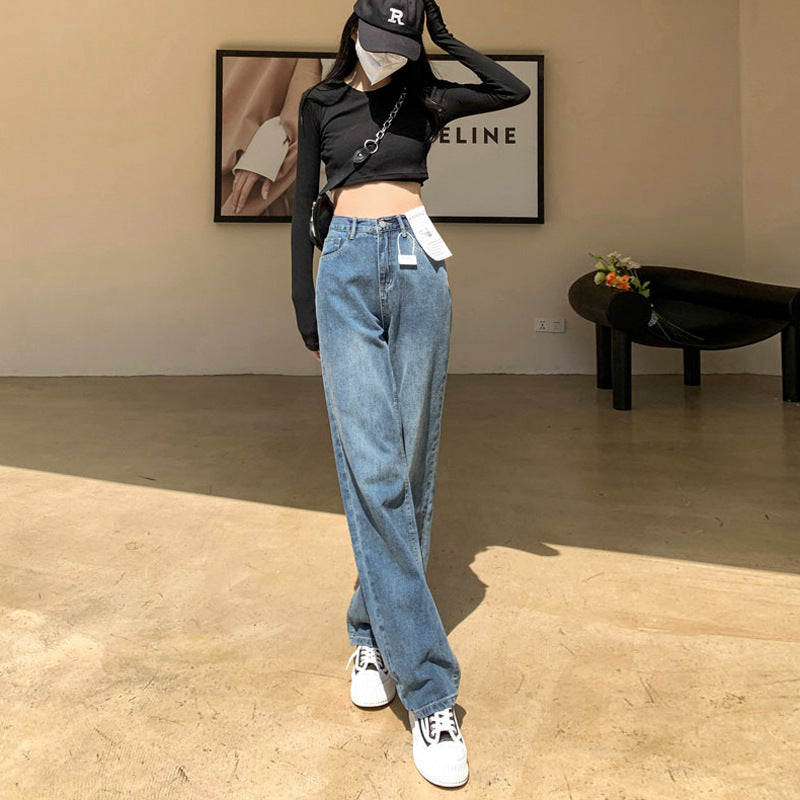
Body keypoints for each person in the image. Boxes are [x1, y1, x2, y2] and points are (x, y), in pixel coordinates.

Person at [289, 0, 530, 788]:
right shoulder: (321, 102)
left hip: (420, 273)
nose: (388, 53)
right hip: (345, 273)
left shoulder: (426, 95)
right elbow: (299, 208)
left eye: (403, 42)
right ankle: (431, 691)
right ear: (353, 30)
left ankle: (369, 631)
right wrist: (303, 300)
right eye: (379, 40)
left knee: (411, 462)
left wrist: (446, 39)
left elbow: (510, 92)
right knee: (376, 471)